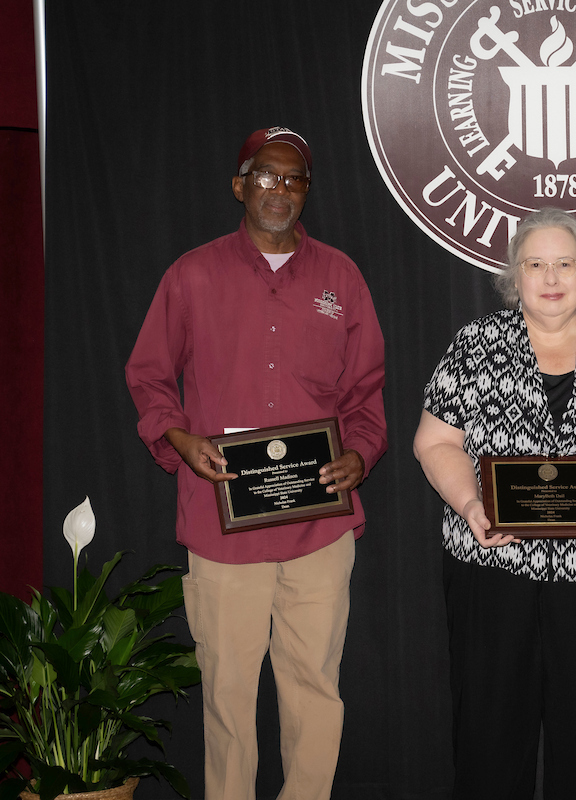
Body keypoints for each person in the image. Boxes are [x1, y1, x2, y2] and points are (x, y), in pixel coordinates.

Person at [125, 127, 387, 800]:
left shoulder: (342, 279)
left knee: (314, 695)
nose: (279, 189)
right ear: (240, 186)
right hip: (223, 525)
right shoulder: (191, 274)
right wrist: (180, 440)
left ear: (307, 191)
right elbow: (150, 378)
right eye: (265, 176)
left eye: (293, 178)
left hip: (318, 529)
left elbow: (365, 394)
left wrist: (360, 453)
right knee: (228, 700)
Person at [412, 208, 576, 800]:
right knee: (490, 737)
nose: (551, 277)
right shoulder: (474, 346)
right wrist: (472, 505)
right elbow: (435, 440)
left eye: (565, 263)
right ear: (514, 276)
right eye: (536, 264)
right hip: (493, 570)